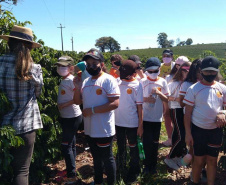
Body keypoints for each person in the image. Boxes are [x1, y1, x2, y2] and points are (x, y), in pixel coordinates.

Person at [0, 25, 43, 185]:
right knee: (21, 171)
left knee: (4, 169)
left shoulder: (0, 62)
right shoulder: (34, 68)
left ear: (9, 43)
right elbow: (37, 94)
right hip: (25, 127)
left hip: (3, 127)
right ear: (29, 48)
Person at [73, 48, 120, 185]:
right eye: (88, 64)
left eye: (94, 63)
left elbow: (115, 103)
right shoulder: (86, 82)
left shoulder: (108, 80)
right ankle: (98, 181)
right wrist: (76, 87)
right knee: (96, 158)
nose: (91, 66)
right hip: (90, 129)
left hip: (103, 128)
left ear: (102, 64)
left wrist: (92, 110)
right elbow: (77, 101)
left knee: (107, 158)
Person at [184, 56, 226, 185]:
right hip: (198, 130)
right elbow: (187, 113)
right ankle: (195, 182)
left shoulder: (222, 88)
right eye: (207, 71)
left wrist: (223, 113)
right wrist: (188, 133)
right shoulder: (193, 89)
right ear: (201, 71)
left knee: (212, 161)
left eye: (213, 71)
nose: (210, 74)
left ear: (217, 71)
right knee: (198, 160)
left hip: (215, 131)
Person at [115, 60, 143, 183]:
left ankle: (134, 169)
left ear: (133, 73)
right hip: (118, 122)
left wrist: (140, 125)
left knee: (133, 146)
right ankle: (120, 167)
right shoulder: (117, 82)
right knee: (121, 146)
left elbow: (139, 107)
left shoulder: (137, 85)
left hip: (132, 122)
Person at [140, 57, 169, 175]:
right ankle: (146, 165)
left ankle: (153, 165)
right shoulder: (142, 82)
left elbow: (167, 98)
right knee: (146, 142)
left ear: (159, 69)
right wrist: (146, 99)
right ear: (146, 71)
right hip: (145, 117)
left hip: (157, 117)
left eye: (155, 71)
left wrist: (159, 93)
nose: (152, 74)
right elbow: (136, 100)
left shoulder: (162, 81)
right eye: (150, 71)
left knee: (155, 143)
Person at [55, 56, 82, 178]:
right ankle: (71, 169)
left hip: (72, 116)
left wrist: (64, 104)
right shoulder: (65, 79)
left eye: (64, 66)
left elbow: (79, 98)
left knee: (66, 145)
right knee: (71, 144)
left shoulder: (71, 80)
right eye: (59, 66)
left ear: (71, 68)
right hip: (67, 116)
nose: (60, 68)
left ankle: (71, 174)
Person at [164, 62, 191, 171]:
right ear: (181, 71)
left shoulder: (188, 83)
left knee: (178, 132)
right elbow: (167, 97)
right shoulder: (173, 83)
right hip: (175, 109)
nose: (187, 73)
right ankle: (170, 156)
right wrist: (178, 100)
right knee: (181, 134)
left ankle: (179, 154)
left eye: (189, 71)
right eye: (185, 71)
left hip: (184, 110)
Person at [159, 49, 175, 146]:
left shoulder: (175, 67)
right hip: (162, 94)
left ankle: (174, 138)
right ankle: (170, 138)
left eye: (168, 56)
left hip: (173, 94)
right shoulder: (160, 66)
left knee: (173, 116)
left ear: (172, 57)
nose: (165, 58)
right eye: (164, 56)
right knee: (167, 115)